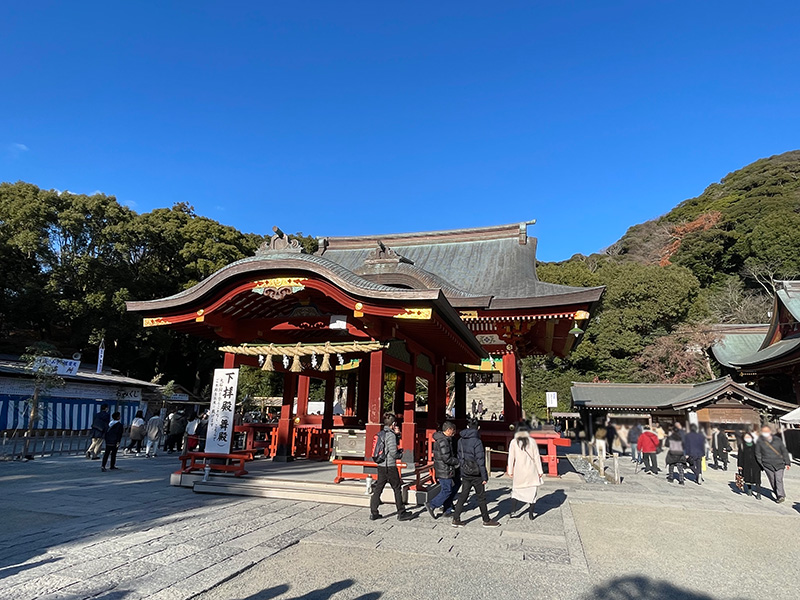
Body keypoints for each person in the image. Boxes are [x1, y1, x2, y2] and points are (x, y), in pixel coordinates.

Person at [452, 419, 500, 528]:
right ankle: (486, 520)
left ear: (467, 427)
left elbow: (459, 456)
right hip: (476, 472)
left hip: (465, 471)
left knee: (464, 494)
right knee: (481, 497)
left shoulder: (460, 440)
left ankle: (456, 518)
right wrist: (484, 476)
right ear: (478, 428)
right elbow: (480, 460)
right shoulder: (477, 441)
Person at [369, 414, 413, 521]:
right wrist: (400, 454)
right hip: (390, 466)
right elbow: (393, 452)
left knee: (379, 488)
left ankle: (374, 512)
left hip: (381, 465)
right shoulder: (390, 435)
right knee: (397, 488)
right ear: (393, 424)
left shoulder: (381, 433)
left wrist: (397, 435)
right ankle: (401, 512)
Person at [506, 421, 544, 520]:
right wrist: (540, 471)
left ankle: (513, 511)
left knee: (516, 492)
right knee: (532, 493)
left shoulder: (514, 442)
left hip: (519, 471)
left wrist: (510, 470)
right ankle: (531, 514)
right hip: (531, 470)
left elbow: (511, 458)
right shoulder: (532, 441)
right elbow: (536, 457)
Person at [426, 421, 461, 519]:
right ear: (449, 430)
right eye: (453, 430)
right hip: (444, 469)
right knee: (447, 490)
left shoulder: (446, 439)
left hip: (446, 468)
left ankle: (447, 508)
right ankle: (432, 504)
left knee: (455, 484)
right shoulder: (443, 441)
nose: (454, 432)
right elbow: (446, 458)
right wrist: (457, 462)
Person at [755, 425, 791, 503]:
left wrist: (787, 462)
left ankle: (780, 495)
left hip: (779, 464)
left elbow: (784, 451)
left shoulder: (777, 440)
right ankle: (777, 493)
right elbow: (758, 454)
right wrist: (762, 464)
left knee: (779, 479)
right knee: (772, 480)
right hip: (767, 464)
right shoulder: (760, 442)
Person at [738, 433, 762, 499]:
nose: (747, 438)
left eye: (748, 436)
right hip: (746, 464)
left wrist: (761, 464)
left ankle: (758, 493)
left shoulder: (756, 445)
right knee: (747, 478)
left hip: (756, 464)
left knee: (757, 479)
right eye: (746, 437)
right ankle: (749, 489)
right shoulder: (742, 445)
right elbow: (740, 456)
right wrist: (739, 465)